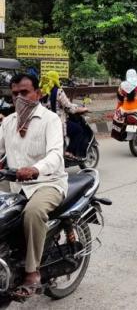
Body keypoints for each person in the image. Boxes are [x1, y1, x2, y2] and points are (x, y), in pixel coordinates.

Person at [1, 74, 67, 298]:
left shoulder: (51, 120)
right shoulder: (8, 122)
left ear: (38, 94)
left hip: (47, 183)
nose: (19, 97)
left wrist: (36, 169)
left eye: (25, 92)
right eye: (15, 93)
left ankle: (32, 273)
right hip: (15, 187)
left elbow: (57, 154)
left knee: (33, 212)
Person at [40, 71, 88, 159]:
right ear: (55, 79)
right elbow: (69, 108)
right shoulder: (58, 91)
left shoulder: (41, 92)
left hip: (44, 124)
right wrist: (82, 108)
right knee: (78, 130)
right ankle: (69, 152)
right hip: (58, 124)